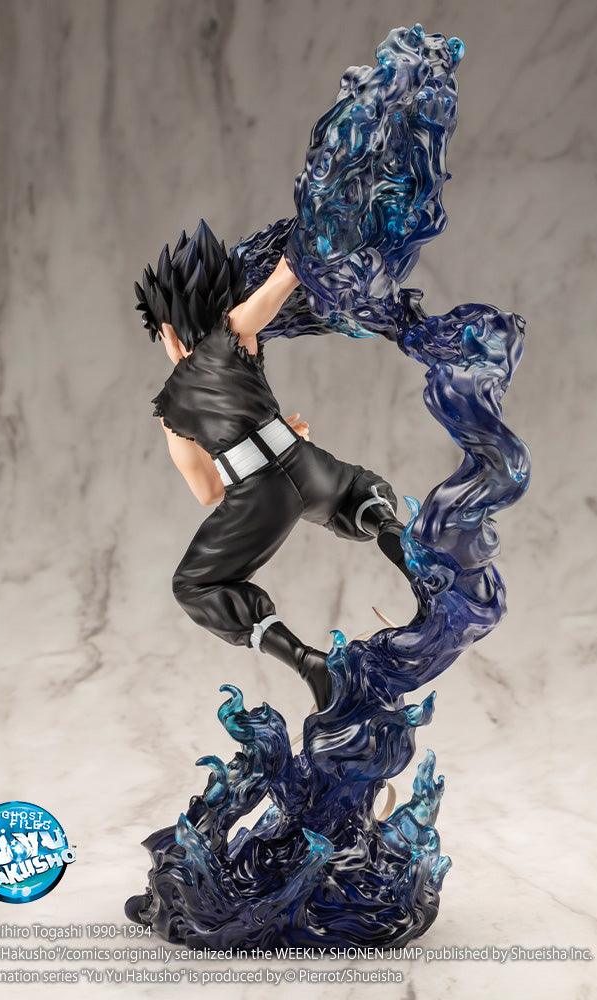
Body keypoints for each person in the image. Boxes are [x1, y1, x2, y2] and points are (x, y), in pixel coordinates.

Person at [136, 221, 413, 712]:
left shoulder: (170, 412)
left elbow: (208, 493)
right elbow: (284, 277)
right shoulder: (232, 335)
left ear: (167, 331)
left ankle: (308, 662)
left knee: (195, 585)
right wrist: (315, 235)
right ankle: (402, 544)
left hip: (258, 500)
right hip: (304, 463)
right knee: (355, 491)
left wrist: (247, 451)